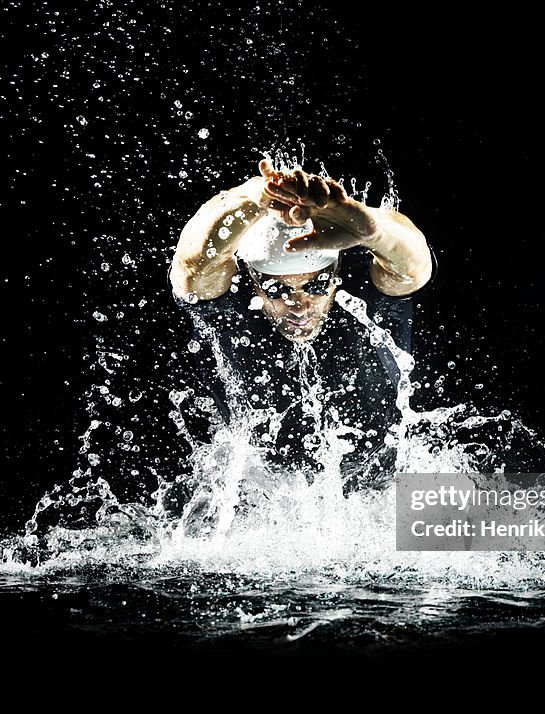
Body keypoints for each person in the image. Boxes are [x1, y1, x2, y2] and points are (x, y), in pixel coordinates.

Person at [170, 158, 434, 491]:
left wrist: (376, 233)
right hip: (266, 504)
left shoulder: (366, 306)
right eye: (278, 290)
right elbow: (193, 267)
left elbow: (414, 268)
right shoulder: (232, 317)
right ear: (252, 281)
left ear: (335, 278)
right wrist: (253, 198)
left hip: (388, 492)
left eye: (316, 285)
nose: (299, 305)